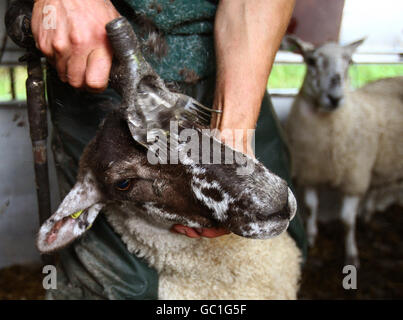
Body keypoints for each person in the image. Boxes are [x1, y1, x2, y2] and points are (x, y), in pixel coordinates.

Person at [31, 0, 306, 299]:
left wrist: (233, 137)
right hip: (89, 64)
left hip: (224, 58)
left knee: (283, 241)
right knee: (118, 286)